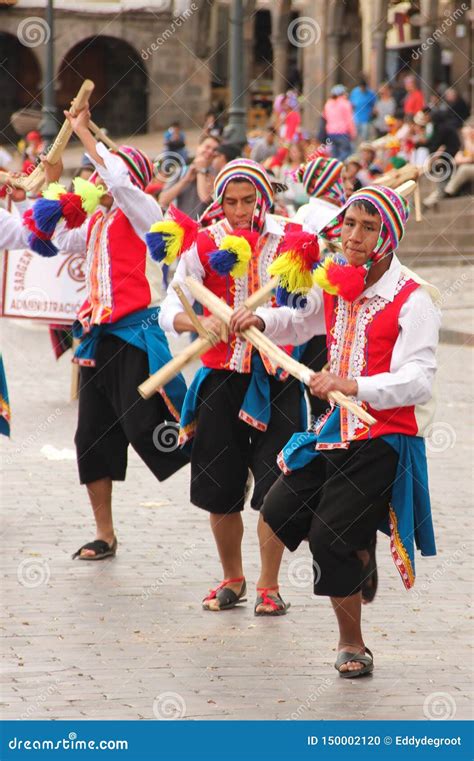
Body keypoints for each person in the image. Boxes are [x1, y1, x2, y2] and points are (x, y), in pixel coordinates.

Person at [231, 185, 440, 677]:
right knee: (278, 508)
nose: (354, 236)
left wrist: (353, 384)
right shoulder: (337, 281)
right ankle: (356, 553)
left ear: (388, 237)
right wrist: (261, 317)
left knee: (329, 537)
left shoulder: (415, 299)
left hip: (385, 436)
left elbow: (419, 380)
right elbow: (300, 322)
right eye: (349, 225)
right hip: (336, 430)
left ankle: (353, 644)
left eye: (369, 228)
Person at [33, 103, 190, 561]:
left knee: (148, 427)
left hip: (136, 334)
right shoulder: (97, 222)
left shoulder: (145, 215)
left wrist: (83, 130)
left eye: (100, 175)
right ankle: (105, 534)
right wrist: (53, 178)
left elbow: (120, 183)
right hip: (98, 339)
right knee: (92, 437)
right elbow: (57, 239)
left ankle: (219, 462)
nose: (95, 181)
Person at [158, 158, 307, 615]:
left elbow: (307, 313)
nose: (239, 210)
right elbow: (169, 307)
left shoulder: (291, 242)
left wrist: (264, 318)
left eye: (248, 200)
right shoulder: (203, 244)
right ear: (218, 201)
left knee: (277, 484)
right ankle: (232, 578)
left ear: (263, 197)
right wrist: (199, 322)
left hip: (277, 379)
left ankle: (269, 584)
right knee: (218, 486)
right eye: (230, 201)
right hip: (221, 381)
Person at [158, 134, 219, 219]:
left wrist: (201, 170)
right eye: (207, 147)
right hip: (180, 226)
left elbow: (205, 198)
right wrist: (185, 180)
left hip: (203, 227)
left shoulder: (216, 175)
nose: (210, 152)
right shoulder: (180, 171)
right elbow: (163, 200)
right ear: (198, 147)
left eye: (214, 150)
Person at [322, 85, 356, 161]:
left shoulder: (328, 104)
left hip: (331, 133)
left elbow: (325, 117)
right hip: (343, 133)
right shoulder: (345, 103)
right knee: (345, 154)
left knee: (334, 155)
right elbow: (349, 120)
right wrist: (353, 133)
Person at [349, 77, 376, 142]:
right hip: (356, 118)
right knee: (355, 137)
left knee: (365, 137)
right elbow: (351, 105)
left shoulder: (370, 93)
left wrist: (372, 112)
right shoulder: (354, 92)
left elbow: (374, 105)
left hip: (366, 119)